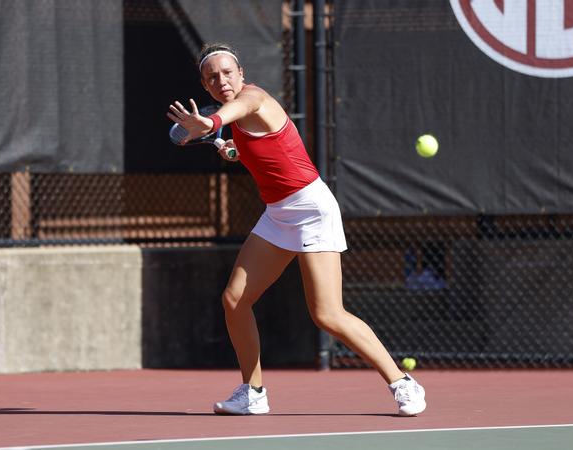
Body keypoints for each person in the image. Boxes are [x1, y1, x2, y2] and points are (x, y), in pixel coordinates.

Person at [166, 43, 426, 416]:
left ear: (241, 74)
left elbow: (239, 109)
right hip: (278, 213)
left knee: (327, 314)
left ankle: (402, 383)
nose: (221, 81)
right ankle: (253, 392)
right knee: (235, 300)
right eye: (212, 78)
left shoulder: (253, 98)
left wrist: (210, 125)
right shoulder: (236, 121)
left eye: (227, 73)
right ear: (205, 86)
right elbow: (265, 150)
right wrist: (234, 152)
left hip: (311, 209)